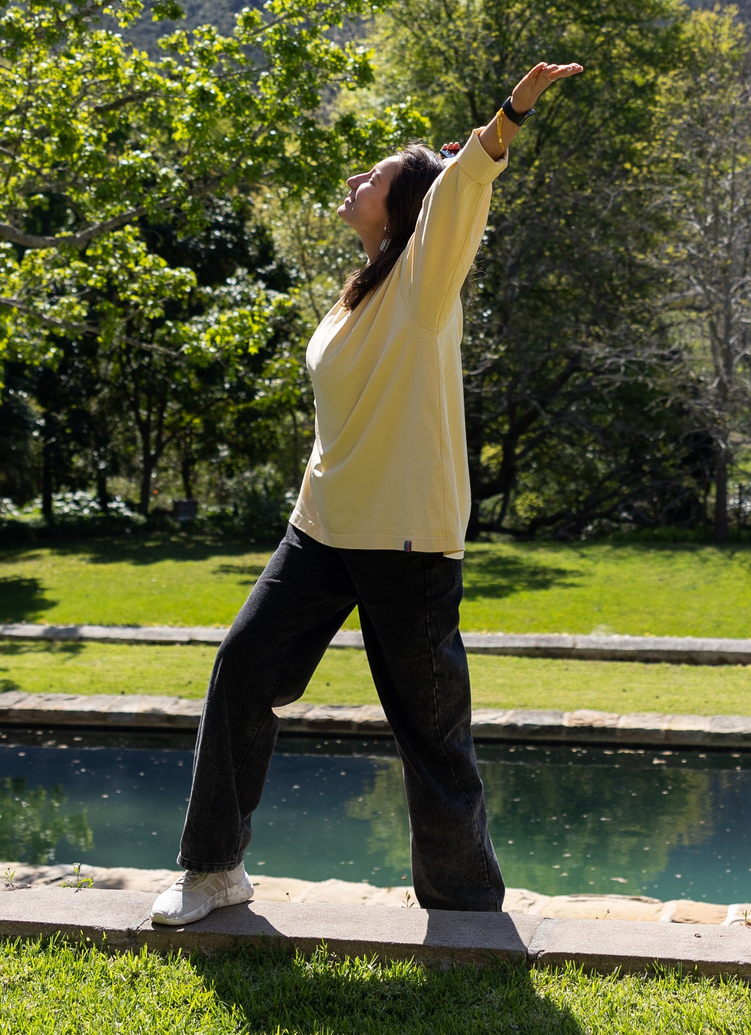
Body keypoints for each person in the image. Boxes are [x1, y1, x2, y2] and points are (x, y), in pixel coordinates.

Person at [150, 59, 586, 925]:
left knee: (430, 731)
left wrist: (505, 119)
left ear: (410, 207)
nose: (357, 180)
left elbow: (459, 191)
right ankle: (212, 871)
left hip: (407, 543)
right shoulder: (362, 290)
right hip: (321, 529)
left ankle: (464, 910)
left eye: (377, 176)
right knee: (242, 667)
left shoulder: (424, 283)